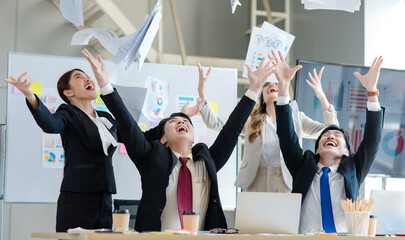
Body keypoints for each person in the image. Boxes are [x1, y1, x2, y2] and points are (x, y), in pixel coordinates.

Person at [82, 49, 278, 232]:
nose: (181, 122)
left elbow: (232, 129)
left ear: (193, 137)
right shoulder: (150, 157)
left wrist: (254, 88)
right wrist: (104, 83)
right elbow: (127, 124)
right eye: (174, 121)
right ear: (163, 137)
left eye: (185, 121)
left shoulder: (206, 161)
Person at [182, 50, 339, 192]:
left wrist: (323, 98)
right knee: (252, 223)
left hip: (285, 178)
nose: (272, 84)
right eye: (268, 84)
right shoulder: (251, 119)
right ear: (262, 98)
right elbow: (214, 123)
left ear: (286, 94)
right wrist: (201, 94)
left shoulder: (297, 118)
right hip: (254, 178)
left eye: (277, 84)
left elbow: (330, 129)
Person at [4, 64, 120, 232]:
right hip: (77, 196)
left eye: (87, 76)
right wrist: (30, 95)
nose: (87, 78)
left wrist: (164, 130)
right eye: (79, 77)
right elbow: (50, 124)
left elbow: (132, 136)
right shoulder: (68, 112)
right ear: (68, 93)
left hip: (105, 194)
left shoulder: (105, 117)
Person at [275, 56, 384, 233]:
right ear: (317, 148)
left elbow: (373, 140)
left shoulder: (354, 168)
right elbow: (287, 137)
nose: (330, 136)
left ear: (347, 152)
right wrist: (283, 88)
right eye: (325, 135)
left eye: (337, 135)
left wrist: (372, 92)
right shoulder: (303, 165)